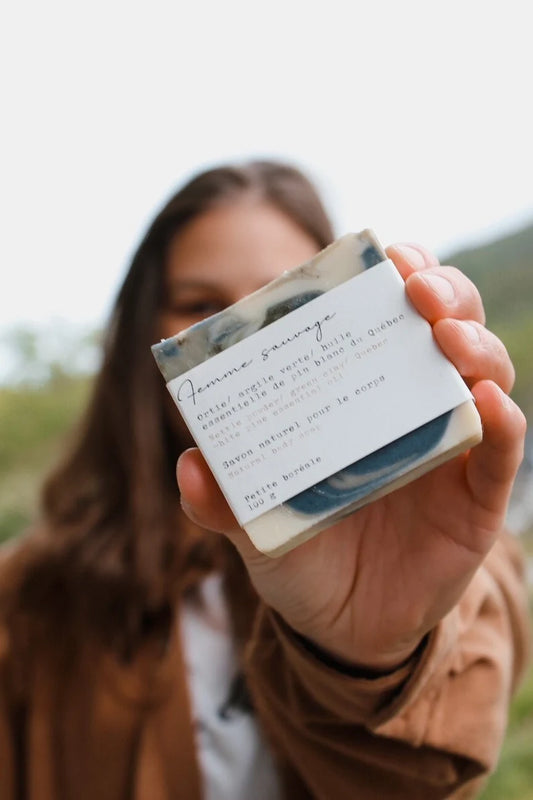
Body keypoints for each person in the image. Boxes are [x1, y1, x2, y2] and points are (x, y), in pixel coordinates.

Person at [0, 160, 529, 800]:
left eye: (284, 301)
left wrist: (369, 661)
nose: (242, 344)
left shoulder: (456, 550)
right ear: (142, 334)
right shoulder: (26, 598)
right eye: (201, 308)